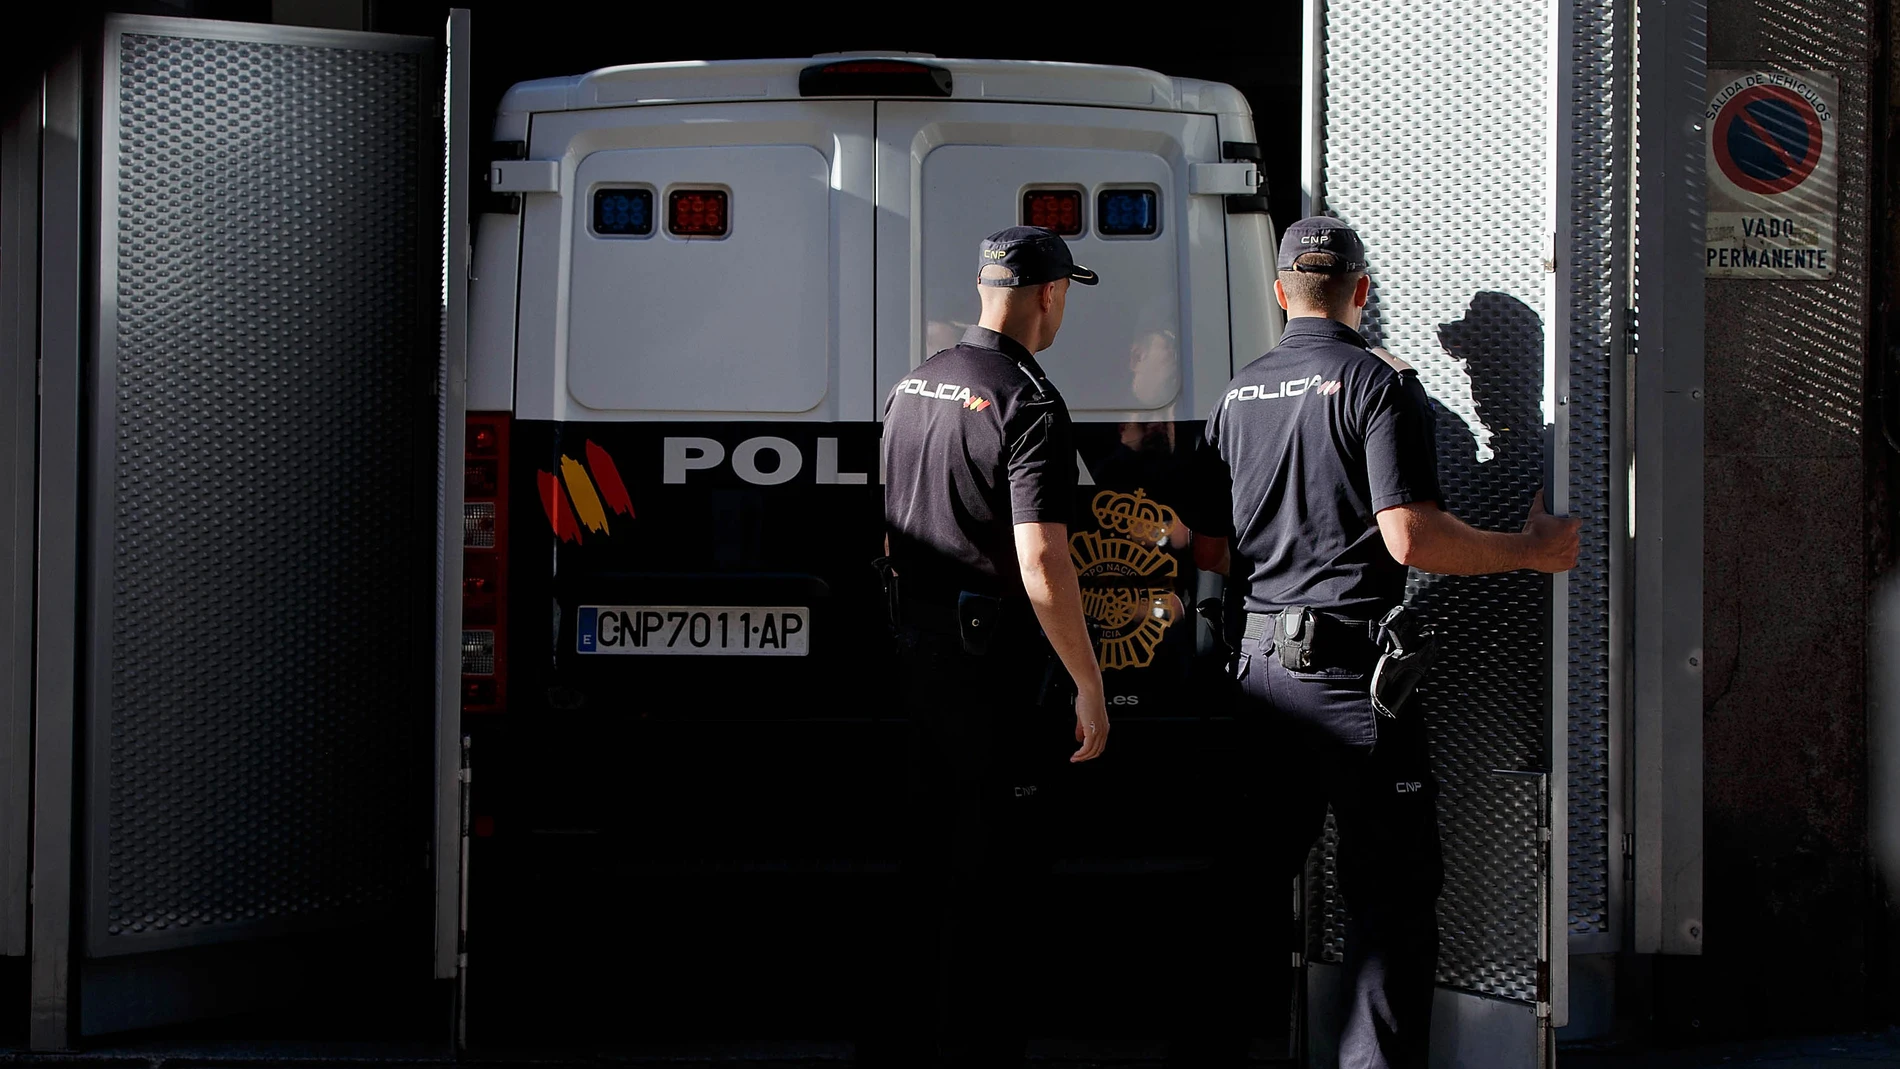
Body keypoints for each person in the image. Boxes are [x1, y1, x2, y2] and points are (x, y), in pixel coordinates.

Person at [1185, 217, 1580, 1068]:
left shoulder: (1238, 392)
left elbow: (1214, 548)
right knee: (1391, 900)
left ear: (1282, 292)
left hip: (1259, 672)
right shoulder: (1375, 385)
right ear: (1359, 291)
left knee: (1248, 885)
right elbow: (1411, 538)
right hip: (1350, 681)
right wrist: (1532, 551)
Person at [866, 225, 1110, 1068]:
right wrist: (1088, 681)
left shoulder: (913, 386)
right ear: (1050, 294)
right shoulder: (1027, 401)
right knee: (994, 886)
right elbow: (1043, 558)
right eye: (1065, 292)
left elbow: (895, 537)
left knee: (928, 869)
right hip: (993, 675)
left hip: (920, 656)